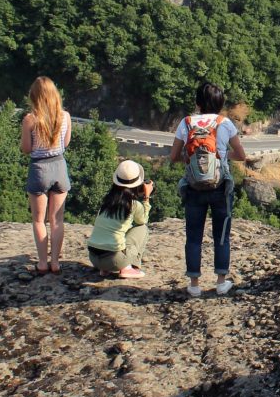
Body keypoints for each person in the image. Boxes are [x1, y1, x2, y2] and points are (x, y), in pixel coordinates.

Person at [168, 82, 249, 297]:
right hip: (221, 187)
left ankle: (194, 285)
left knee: (193, 236)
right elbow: (241, 155)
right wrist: (221, 156)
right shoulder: (225, 124)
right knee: (221, 235)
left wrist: (190, 158)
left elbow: (174, 157)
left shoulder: (185, 123)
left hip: (194, 187)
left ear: (197, 103)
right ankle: (221, 282)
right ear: (221, 104)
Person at [20, 76, 72, 274]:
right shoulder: (65, 116)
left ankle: (42, 263)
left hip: (39, 169)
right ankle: (56, 262)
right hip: (59, 166)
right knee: (57, 220)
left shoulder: (30, 119)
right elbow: (65, 144)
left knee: (39, 220)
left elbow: (26, 148)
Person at [88, 160, 154, 279]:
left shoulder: (107, 201)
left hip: (94, 258)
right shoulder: (133, 205)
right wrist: (146, 196)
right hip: (115, 260)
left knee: (116, 233)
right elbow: (142, 220)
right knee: (142, 228)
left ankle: (105, 269)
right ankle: (129, 268)